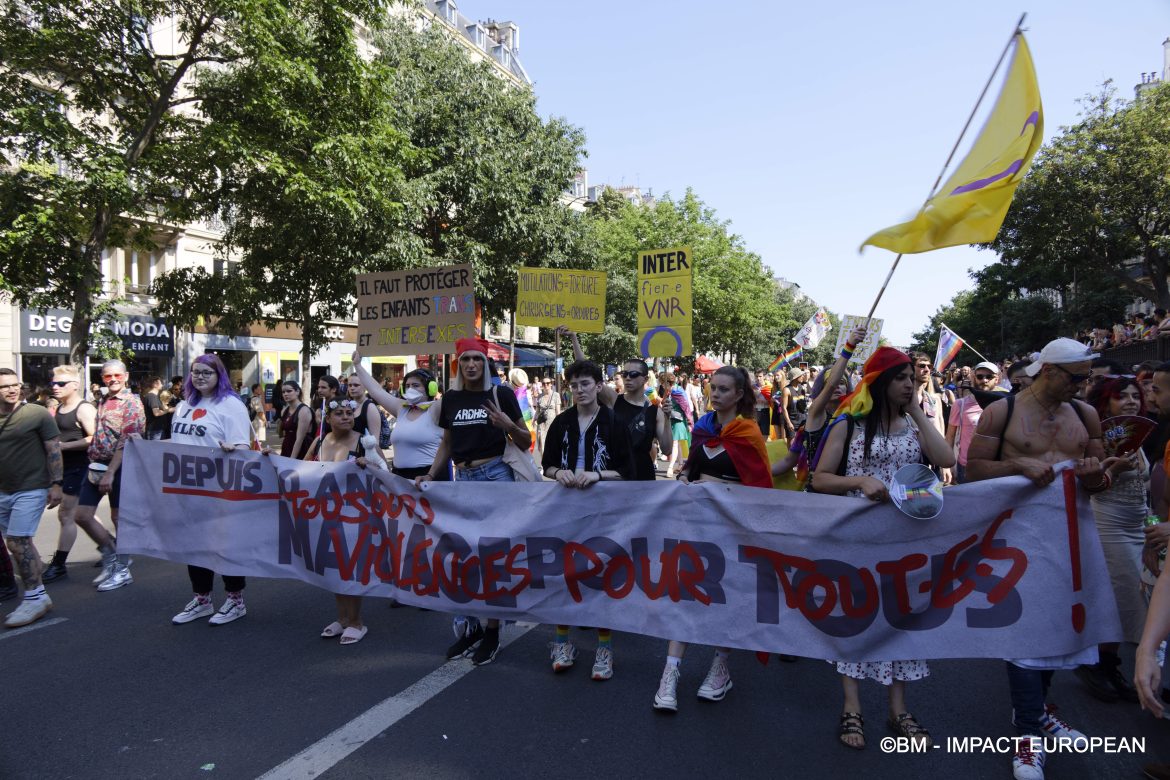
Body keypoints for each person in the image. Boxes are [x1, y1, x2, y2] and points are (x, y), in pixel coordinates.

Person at [965, 338, 1111, 780]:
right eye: (1076, 377)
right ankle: (1028, 732)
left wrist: (1097, 475)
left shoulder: (1085, 414)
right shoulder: (1001, 411)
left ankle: (1038, 713)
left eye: (1086, 377)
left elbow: (1098, 480)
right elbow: (974, 469)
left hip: (1070, 538)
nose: (1082, 386)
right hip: (1016, 539)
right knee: (1025, 634)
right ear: (1047, 370)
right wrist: (1017, 468)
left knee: (1057, 628)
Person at [809, 347, 954, 751]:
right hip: (860, 540)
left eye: (913, 377)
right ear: (881, 382)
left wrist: (919, 412)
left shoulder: (913, 423)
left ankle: (898, 709)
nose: (911, 383)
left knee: (902, 621)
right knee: (857, 619)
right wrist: (858, 482)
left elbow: (947, 458)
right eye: (902, 378)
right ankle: (851, 706)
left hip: (908, 540)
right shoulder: (850, 424)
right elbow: (820, 479)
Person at [653, 366, 771, 712]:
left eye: (723, 389)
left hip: (734, 529)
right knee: (687, 593)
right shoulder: (703, 427)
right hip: (698, 526)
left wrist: (719, 489)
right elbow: (690, 466)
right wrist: (686, 477)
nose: (715, 394)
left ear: (739, 395)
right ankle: (670, 673)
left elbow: (761, 490)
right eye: (713, 387)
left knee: (727, 597)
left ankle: (720, 667)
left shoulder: (749, 433)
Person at [416, 337, 531, 666]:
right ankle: (473, 626)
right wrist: (430, 473)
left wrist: (508, 425)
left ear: (485, 363)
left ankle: (493, 631)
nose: (471, 365)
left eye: (477, 360)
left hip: (496, 479)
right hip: (462, 481)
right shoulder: (450, 399)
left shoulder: (501, 394)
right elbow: (447, 444)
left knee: (492, 559)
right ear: (457, 364)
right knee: (463, 558)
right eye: (465, 359)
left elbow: (524, 441)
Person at [540, 359, 632, 680]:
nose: (579, 390)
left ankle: (604, 648)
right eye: (574, 384)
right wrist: (559, 472)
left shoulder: (613, 422)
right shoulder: (561, 422)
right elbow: (547, 465)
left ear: (598, 385)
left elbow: (628, 471)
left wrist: (597, 475)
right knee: (565, 573)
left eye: (585, 383)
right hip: (565, 509)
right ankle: (562, 642)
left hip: (603, 510)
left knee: (601, 575)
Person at [1068, 377, 1147, 702]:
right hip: (1109, 525)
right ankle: (1101, 664)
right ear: (1106, 403)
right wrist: (1112, 468)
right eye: (1121, 397)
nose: (1131, 402)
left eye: (1135, 396)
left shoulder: (1138, 435)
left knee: (1127, 599)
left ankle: (1106, 662)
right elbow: (1090, 483)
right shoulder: (1099, 439)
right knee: (1124, 597)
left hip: (1138, 525)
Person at [168, 355, 255, 626]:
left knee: (223, 544)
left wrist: (232, 449)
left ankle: (235, 600)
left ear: (220, 375)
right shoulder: (184, 405)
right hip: (188, 488)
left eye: (207, 372)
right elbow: (177, 442)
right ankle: (202, 599)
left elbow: (243, 447)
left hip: (220, 488)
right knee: (194, 545)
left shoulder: (230, 405)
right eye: (196, 372)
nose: (200, 377)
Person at [301, 398, 387, 644]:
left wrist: (368, 465)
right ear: (327, 419)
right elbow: (299, 468)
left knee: (351, 568)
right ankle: (342, 619)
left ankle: (357, 622)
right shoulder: (319, 441)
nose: (346, 417)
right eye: (339, 413)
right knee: (333, 566)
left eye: (349, 413)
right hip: (325, 513)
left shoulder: (364, 441)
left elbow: (384, 472)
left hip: (356, 514)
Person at [0, 367, 63, 627]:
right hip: (3, 490)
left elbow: (53, 449)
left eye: (16, 385)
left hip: (32, 487)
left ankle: (34, 598)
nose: (13, 389)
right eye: (5, 386)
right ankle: (39, 594)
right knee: (21, 544)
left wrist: (57, 483)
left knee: (17, 542)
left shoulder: (35, 413)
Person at [75, 359, 144, 592]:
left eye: (116, 375)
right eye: (107, 376)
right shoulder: (103, 400)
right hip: (96, 465)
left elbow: (128, 442)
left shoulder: (132, 403)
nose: (112, 380)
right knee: (82, 515)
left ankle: (122, 570)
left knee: (119, 519)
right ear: (102, 378)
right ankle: (111, 555)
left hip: (121, 466)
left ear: (125, 376)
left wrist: (111, 473)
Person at [350, 352, 445, 480]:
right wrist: (358, 365)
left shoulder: (436, 408)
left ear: (431, 389)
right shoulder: (402, 408)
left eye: (416, 385)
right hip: (400, 477)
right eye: (407, 386)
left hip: (428, 477)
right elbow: (376, 391)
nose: (410, 389)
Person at [41, 365, 96, 583]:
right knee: (82, 513)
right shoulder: (60, 407)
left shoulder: (84, 409)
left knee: (66, 514)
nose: (55, 387)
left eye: (61, 383)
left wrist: (63, 447)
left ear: (75, 385)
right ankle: (109, 545)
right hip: (64, 469)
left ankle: (59, 564)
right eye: (53, 383)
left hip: (80, 467)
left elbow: (93, 438)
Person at [945, 360, 1003, 484]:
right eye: (980, 376)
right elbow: (950, 436)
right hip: (966, 466)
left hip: (996, 466)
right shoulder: (960, 404)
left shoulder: (1006, 403)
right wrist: (947, 466)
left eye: (989, 377)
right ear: (973, 378)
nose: (984, 380)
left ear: (996, 379)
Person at [661, 372, 693, 479]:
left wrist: (689, 422)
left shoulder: (677, 391)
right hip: (672, 420)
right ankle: (680, 465)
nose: (661, 385)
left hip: (679, 421)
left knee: (674, 443)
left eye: (663, 383)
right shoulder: (670, 391)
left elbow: (686, 408)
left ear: (668, 383)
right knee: (677, 444)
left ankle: (670, 467)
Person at [278, 381, 314, 460]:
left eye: (289, 391)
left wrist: (292, 459)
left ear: (297, 391)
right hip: (287, 446)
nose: (285, 394)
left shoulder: (304, 410)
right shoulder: (284, 410)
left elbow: (300, 439)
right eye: (283, 392)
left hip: (301, 449)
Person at [533, 377, 561, 453]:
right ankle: (543, 464)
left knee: (552, 444)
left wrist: (559, 423)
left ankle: (551, 462)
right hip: (541, 423)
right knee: (541, 445)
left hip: (552, 423)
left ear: (551, 384)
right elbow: (537, 411)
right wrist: (534, 420)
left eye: (548, 383)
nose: (546, 385)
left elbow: (558, 411)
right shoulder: (539, 396)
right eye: (544, 383)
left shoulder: (556, 395)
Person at [140, 376, 170, 441]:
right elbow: (156, 413)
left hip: (158, 429)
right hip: (154, 430)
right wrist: (167, 410)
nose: (162, 385)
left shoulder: (156, 396)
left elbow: (163, 408)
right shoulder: (151, 396)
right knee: (155, 450)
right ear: (155, 384)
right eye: (161, 383)